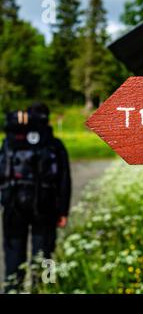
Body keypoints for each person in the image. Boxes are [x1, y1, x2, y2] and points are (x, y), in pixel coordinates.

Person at [0, 103, 71, 292]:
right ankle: (45, 288)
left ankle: (12, 288)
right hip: (45, 206)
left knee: (13, 253)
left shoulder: (9, 142)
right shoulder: (54, 145)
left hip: (13, 205)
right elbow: (64, 180)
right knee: (45, 253)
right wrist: (63, 211)